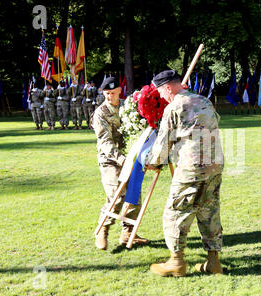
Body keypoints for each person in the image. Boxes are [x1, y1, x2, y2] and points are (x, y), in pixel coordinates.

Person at [146, 70, 224, 277]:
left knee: (176, 212)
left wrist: (153, 162)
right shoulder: (204, 101)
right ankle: (213, 262)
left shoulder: (174, 107)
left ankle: (176, 262)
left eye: (160, 91)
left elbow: (163, 142)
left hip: (191, 169)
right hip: (214, 165)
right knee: (210, 212)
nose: (160, 96)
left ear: (168, 88)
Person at [92, 77, 149, 250]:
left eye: (113, 93)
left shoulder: (128, 107)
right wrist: (121, 159)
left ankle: (128, 233)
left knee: (133, 195)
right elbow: (105, 141)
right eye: (107, 94)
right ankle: (103, 229)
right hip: (110, 160)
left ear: (119, 91)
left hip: (131, 158)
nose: (110, 97)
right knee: (116, 195)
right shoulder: (100, 113)